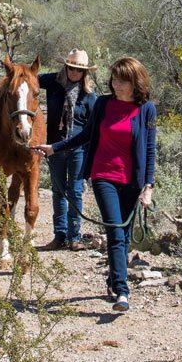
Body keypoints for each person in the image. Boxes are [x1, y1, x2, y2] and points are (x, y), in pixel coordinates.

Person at [35, 57, 156, 312]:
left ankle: (113, 279)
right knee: (114, 230)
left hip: (132, 181)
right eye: (114, 79)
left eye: (122, 80)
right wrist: (54, 148)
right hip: (104, 176)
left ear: (135, 82)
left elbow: (150, 149)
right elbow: (86, 135)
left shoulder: (147, 110)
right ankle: (123, 291)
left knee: (123, 236)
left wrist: (148, 187)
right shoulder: (103, 104)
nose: (116, 84)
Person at [39, 48, 97, 251]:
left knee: (75, 191)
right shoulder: (53, 83)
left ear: (84, 73)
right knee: (58, 191)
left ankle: (75, 236)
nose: (74, 73)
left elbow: (92, 129)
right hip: (54, 147)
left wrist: (91, 158)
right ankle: (60, 235)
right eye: (71, 67)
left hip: (78, 150)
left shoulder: (90, 96)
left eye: (78, 70)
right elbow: (29, 78)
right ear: (66, 66)